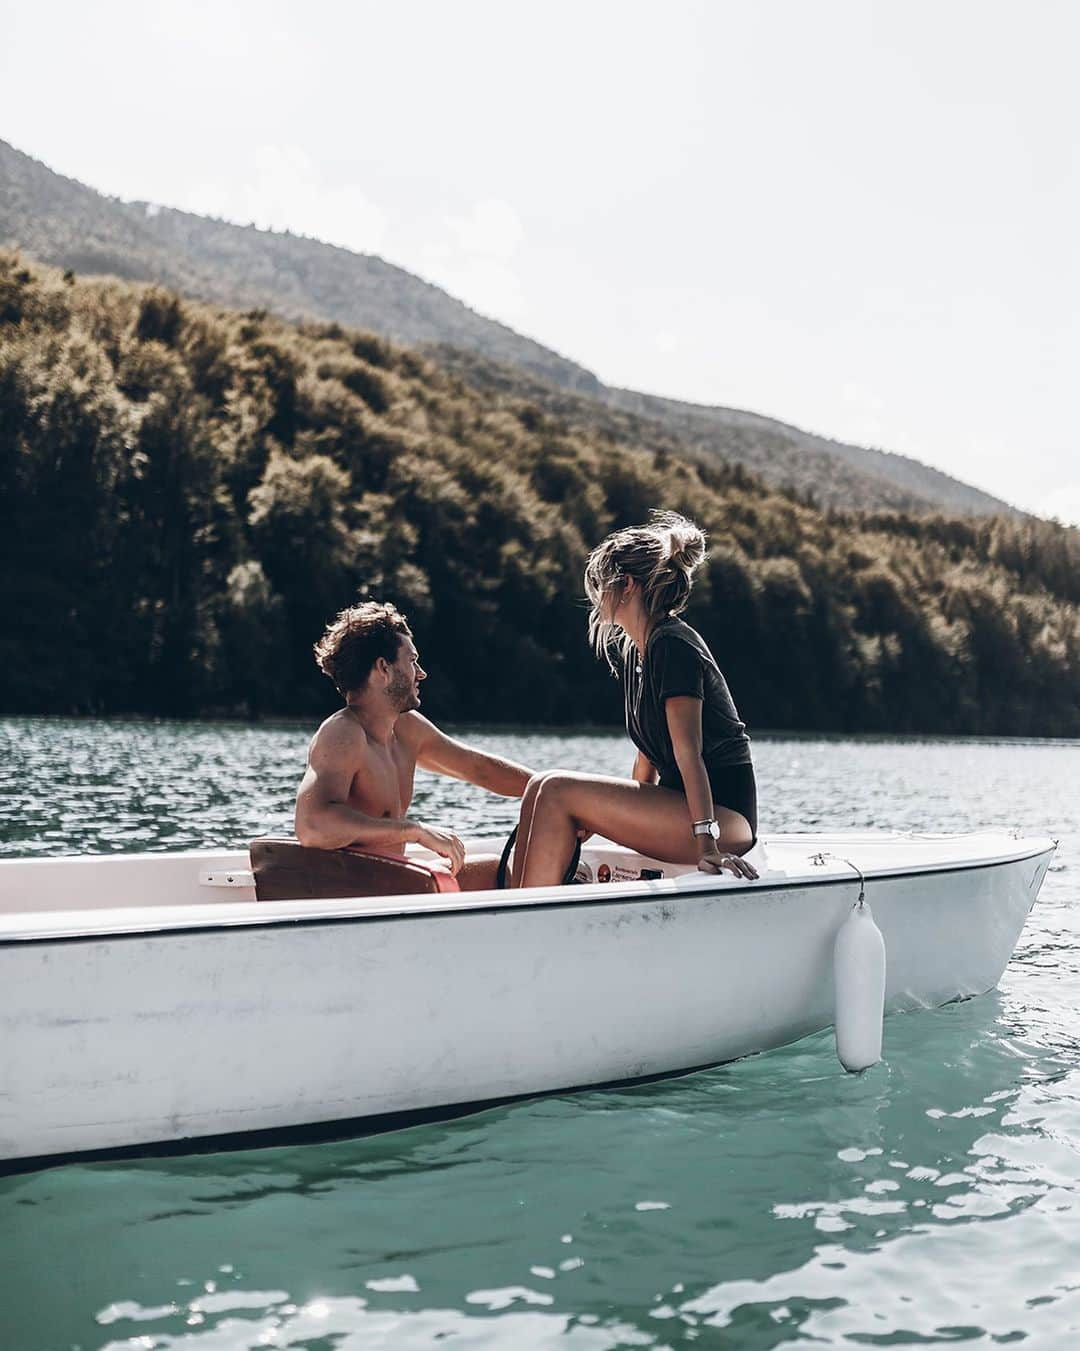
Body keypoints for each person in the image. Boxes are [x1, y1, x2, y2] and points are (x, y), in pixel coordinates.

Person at [511, 511, 759, 888]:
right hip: (679, 808)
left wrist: (707, 843)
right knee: (541, 785)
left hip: (725, 817)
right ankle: (515, 907)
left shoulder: (672, 645)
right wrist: (606, 813)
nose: (594, 597)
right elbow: (647, 759)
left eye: (599, 585)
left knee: (557, 789)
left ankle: (526, 922)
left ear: (626, 584)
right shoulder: (636, 650)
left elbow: (687, 753)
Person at [295, 601, 533, 889]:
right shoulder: (343, 733)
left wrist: (547, 791)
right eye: (411, 661)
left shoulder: (406, 728)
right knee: (501, 872)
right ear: (383, 668)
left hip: (391, 885)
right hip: (355, 895)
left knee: (503, 866)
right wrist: (413, 831)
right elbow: (312, 826)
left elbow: (477, 768)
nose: (421, 673)